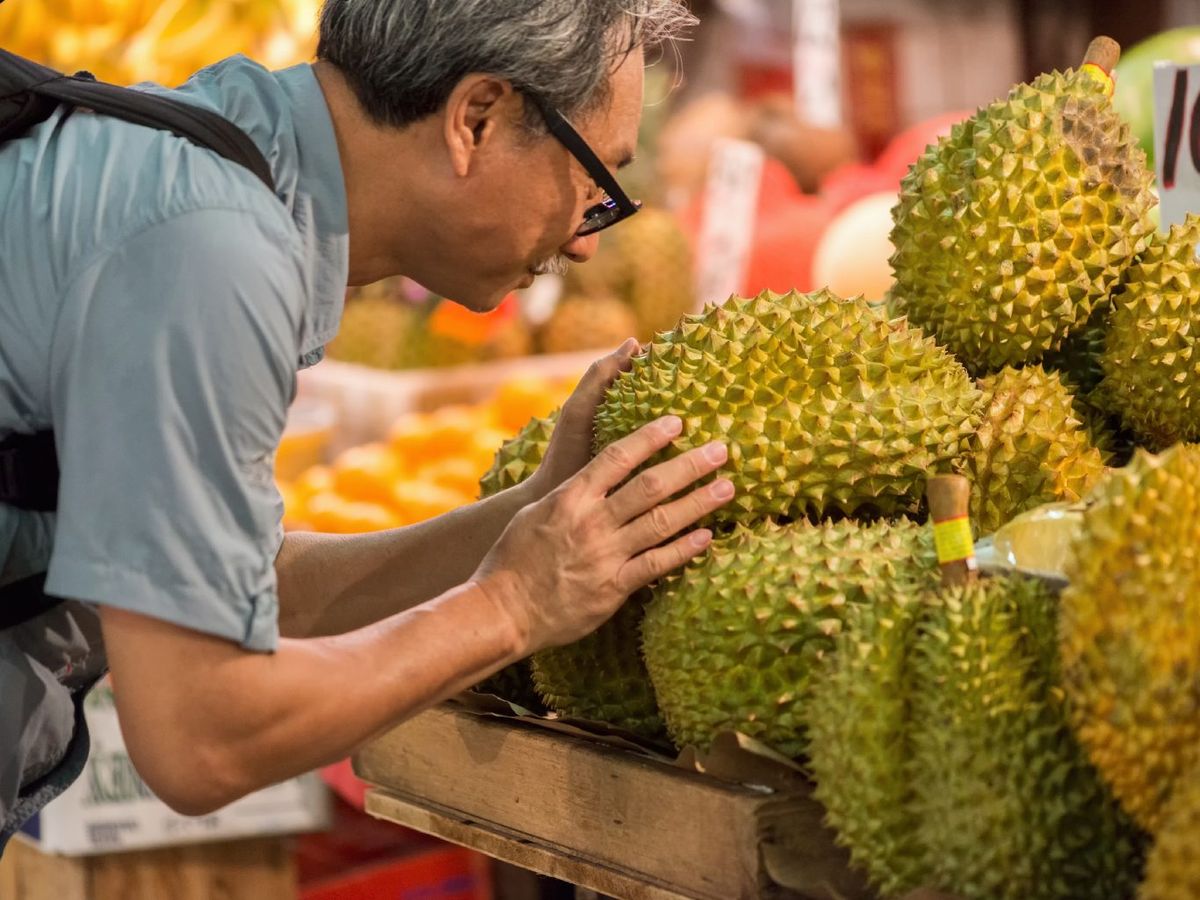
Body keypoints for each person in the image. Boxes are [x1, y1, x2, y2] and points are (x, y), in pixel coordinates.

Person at [0, 0, 735, 850]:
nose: (584, 246)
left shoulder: (229, 154)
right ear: (478, 119)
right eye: (595, 188)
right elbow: (201, 735)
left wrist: (527, 517)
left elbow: (241, 590)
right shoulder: (212, 250)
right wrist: (513, 607)